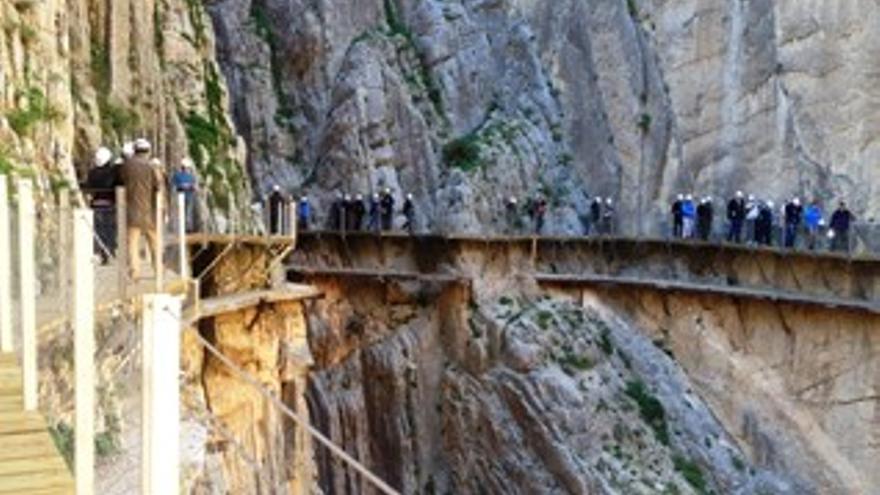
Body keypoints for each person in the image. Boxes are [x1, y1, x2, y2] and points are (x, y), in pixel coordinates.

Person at [120, 138, 160, 279]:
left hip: (132, 209)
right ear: (148, 151)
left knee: (133, 243)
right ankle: (158, 271)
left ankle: (135, 272)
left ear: (135, 150)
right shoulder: (151, 167)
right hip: (149, 211)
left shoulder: (126, 166)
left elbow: (120, 181)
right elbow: (158, 186)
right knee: (154, 242)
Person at [83, 147, 120, 264]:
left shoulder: (92, 173)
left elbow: (88, 187)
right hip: (110, 203)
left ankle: (100, 251)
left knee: (98, 229)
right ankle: (110, 250)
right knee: (110, 228)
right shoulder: (113, 172)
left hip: (96, 203)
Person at [171, 158, 198, 233]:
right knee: (181, 212)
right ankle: (180, 228)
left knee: (188, 212)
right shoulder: (177, 175)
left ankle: (188, 228)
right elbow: (173, 186)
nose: (186, 169)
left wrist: (191, 186)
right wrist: (181, 186)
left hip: (189, 196)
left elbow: (195, 187)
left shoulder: (191, 176)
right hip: (180, 196)